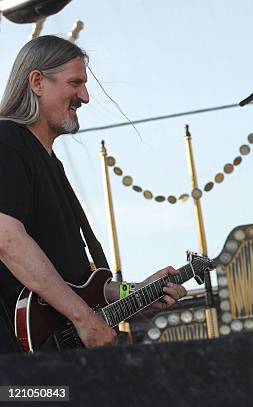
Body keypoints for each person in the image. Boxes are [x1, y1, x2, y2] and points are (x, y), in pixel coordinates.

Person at [0, 35, 187, 352]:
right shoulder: (7, 140)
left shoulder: (52, 166)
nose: (85, 97)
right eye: (75, 83)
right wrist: (84, 318)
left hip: (58, 355)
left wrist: (139, 291)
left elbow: (87, 287)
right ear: (37, 82)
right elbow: (7, 238)